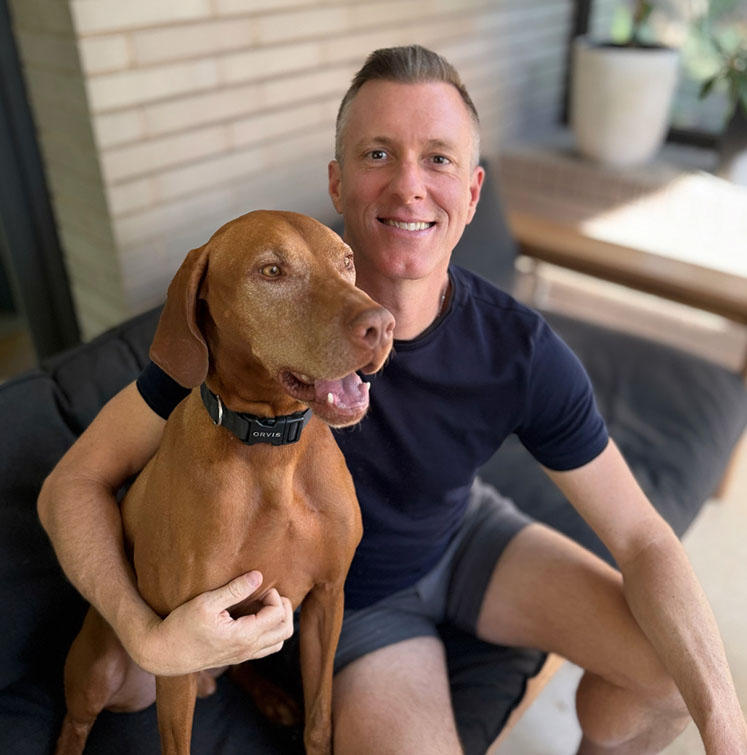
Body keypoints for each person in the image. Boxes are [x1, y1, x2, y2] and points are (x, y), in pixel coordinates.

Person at [38, 45, 747, 754]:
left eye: (437, 158)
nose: (409, 185)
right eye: (378, 153)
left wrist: (725, 725)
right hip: (361, 602)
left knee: (671, 678)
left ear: (472, 193)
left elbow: (644, 538)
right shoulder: (240, 346)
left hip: (463, 532)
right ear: (338, 184)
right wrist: (147, 637)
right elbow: (71, 485)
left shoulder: (519, 350)